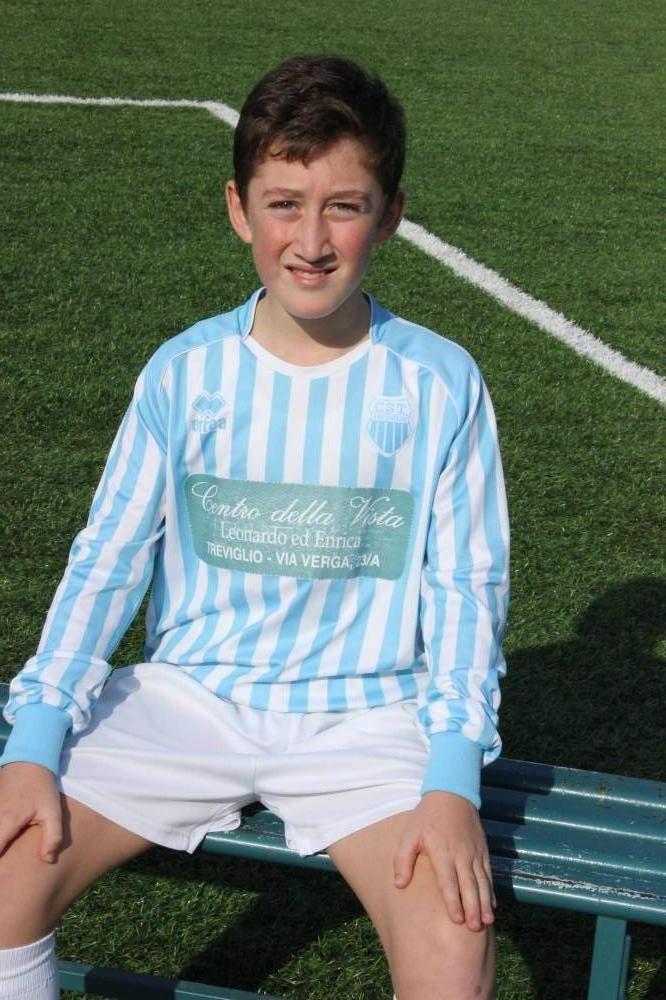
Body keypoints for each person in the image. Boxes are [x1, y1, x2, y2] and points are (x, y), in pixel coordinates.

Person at [0, 54, 509, 1000]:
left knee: (455, 940)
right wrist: (32, 741)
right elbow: (107, 560)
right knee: (5, 872)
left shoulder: (439, 381)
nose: (310, 240)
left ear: (391, 215)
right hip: (190, 699)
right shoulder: (184, 372)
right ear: (239, 209)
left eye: (344, 207)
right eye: (284, 204)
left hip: (367, 717)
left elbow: (466, 591)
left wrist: (451, 780)